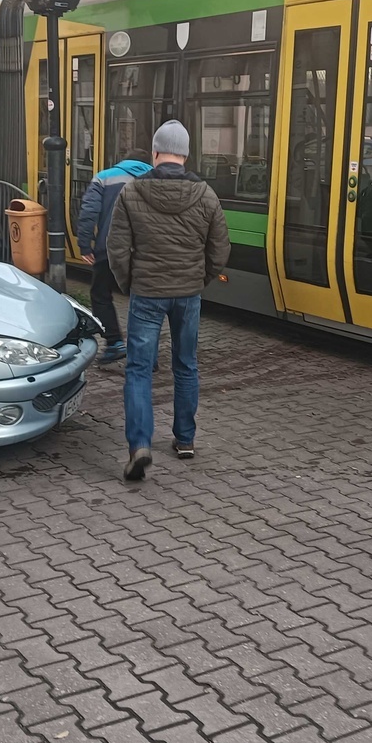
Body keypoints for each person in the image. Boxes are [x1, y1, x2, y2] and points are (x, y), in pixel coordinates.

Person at [107, 120, 230, 482]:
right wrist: (199, 278)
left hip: (147, 293)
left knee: (139, 369)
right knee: (186, 364)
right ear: (186, 155)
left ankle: (140, 445)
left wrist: (130, 282)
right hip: (188, 295)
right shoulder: (206, 194)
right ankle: (185, 439)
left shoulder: (132, 192)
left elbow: (116, 248)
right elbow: (220, 248)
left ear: (155, 153)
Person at [78, 148, 152, 363]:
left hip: (108, 249)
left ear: (124, 161)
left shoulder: (105, 177)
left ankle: (114, 343)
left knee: (100, 295)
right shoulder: (156, 180)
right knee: (144, 300)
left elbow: (89, 211)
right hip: (145, 251)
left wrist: (85, 245)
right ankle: (148, 354)